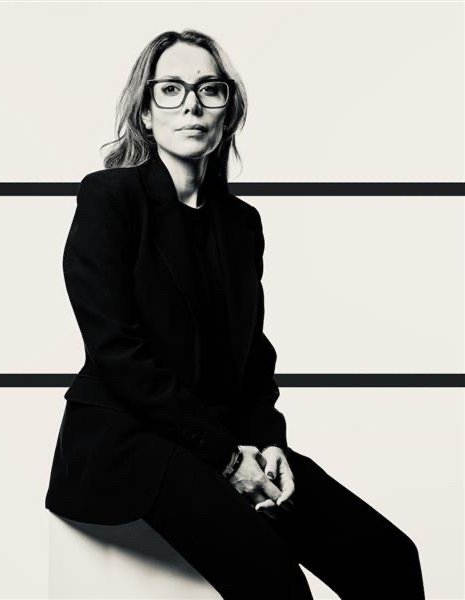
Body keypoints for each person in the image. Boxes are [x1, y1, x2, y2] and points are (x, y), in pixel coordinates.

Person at [45, 29, 426, 599]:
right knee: (276, 581)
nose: (192, 105)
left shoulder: (241, 222)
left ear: (228, 110)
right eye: (171, 89)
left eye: (209, 89)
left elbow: (252, 360)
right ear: (145, 112)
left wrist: (270, 444)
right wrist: (226, 459)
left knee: (388, 558)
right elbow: (118, 354)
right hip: (131, 442)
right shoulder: (110, 197)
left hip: (228, 440)